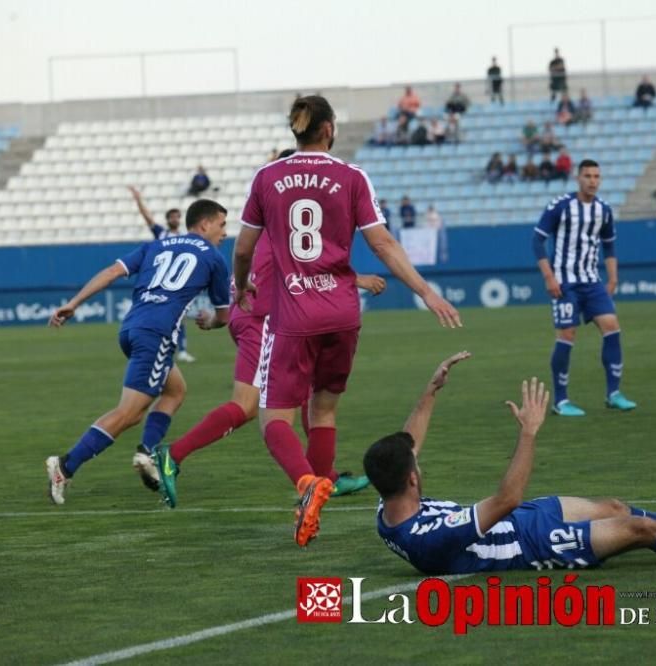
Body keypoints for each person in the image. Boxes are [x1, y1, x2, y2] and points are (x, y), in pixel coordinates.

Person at [233, 95, 461, 547]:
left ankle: (307, 485)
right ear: (329, 129)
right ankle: (318, 494)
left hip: (293, 313)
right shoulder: (351, 176)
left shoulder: (267, 177)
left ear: (295, 130)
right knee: (325, 409)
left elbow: (242, 249)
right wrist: (426, 291)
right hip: (341, 312)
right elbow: (383, 245)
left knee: (272, 416)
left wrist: (241, 286)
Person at [364, 354, 656, 576]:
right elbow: (506, 497)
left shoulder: (388, 508)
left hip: (523, 519)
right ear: (411, 478)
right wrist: (529, 432)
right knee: (641, 530)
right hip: (535, 546)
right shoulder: (432, 538)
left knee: (616, 505)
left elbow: (409, 444)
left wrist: (431, 389)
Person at [153, 150, 389, 508]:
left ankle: (323, 478)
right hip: (264, 320)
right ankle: (174, 455)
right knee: (249, 407)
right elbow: (302, 265)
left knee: (312, 393)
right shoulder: (283, 224)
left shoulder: (270, 219)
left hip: (263, 317)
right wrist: (356, 279)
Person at [44, 200, 231, 505]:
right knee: (128, 413)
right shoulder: (214, 258)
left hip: (131, 329)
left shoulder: (155, 246)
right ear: (205, 224)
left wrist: (73, 303)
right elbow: (223, 316)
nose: (225, 232)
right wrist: (208, 323)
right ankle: (64, 467)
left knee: (175, 391)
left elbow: (110, 272)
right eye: (222, 225)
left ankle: (148, 453)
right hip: (156, 335)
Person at [532, 159, 636, 415]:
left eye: (596, 176)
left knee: (612, 327)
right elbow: (537, 241)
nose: (592, 180)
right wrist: (549, 277)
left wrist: (612, 279)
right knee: (567, 335)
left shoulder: (604, 210)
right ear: (578, 178)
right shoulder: (561, 206)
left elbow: (609, 246)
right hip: (564, 283)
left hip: (592, 282)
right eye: (587, 175)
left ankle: (614, 393)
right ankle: (561, 400)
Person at [127, 186, 195, 362]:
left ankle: (182, 349)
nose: (175, 219)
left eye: (177, 216)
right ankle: (155, 346)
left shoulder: (185, 237)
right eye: (172, 216)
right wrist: (138, 199)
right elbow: (147, 217)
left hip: (176, 281)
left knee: (180, 316)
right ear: (167, 219)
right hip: (159, 279)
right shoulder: (161, 233)